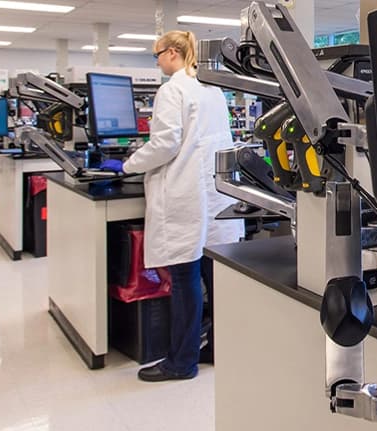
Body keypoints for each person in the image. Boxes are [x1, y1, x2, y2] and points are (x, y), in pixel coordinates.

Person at [100, 30, 244, 382]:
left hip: (186, 196)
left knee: (185, 280)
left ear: (173, 54)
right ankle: (217, 348)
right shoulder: (212, 88)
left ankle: (181, 362)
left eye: (157, 55)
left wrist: (128, 164)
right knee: (214, 276)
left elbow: (165, 144)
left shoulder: (172, 89)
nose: (157, 61)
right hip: (215, 194)